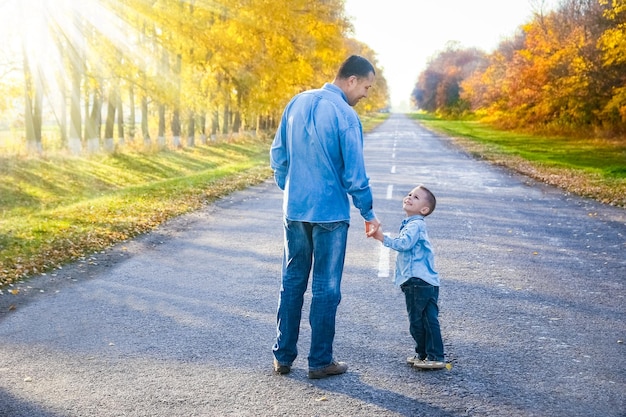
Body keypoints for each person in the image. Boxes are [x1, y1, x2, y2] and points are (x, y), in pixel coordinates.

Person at [270, 55, 381, 379]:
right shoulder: (345, 116)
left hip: (295, 210)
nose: (365, 94)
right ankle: (320, 362)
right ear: (351, 81)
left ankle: (283, 357)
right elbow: (355, 176)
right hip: (330, 214)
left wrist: (290, 186)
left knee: (291, 282)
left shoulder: (296, 102)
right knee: (326, 288)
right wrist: (368, 212)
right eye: (366, 87)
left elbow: (278, 155)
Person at [369, 184, 447, 370]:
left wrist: (382, 238)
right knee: (426, 319)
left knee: (419, 321)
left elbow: (404, 244)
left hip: (417, 281)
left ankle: (433, 355)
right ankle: (426, 354)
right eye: (410, 194)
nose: (409, 197)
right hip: (424, 281)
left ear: (424, 209)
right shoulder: (413, 224)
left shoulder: (415, 225)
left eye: (416, 197)